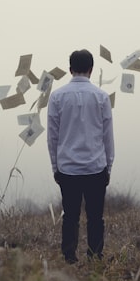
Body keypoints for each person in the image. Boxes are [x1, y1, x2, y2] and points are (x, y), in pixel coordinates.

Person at [47, 49, 114, 264]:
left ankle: (69, 257)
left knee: (70, 216)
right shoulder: (102, 97)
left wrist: (55, 167)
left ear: (70, 70)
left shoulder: (56, 97)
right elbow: (107, 136)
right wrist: (108, 166)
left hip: (68, 167)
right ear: (91, 70)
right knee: (96, 217)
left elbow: (52, 137)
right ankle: (95, 256)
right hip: (96, 166)